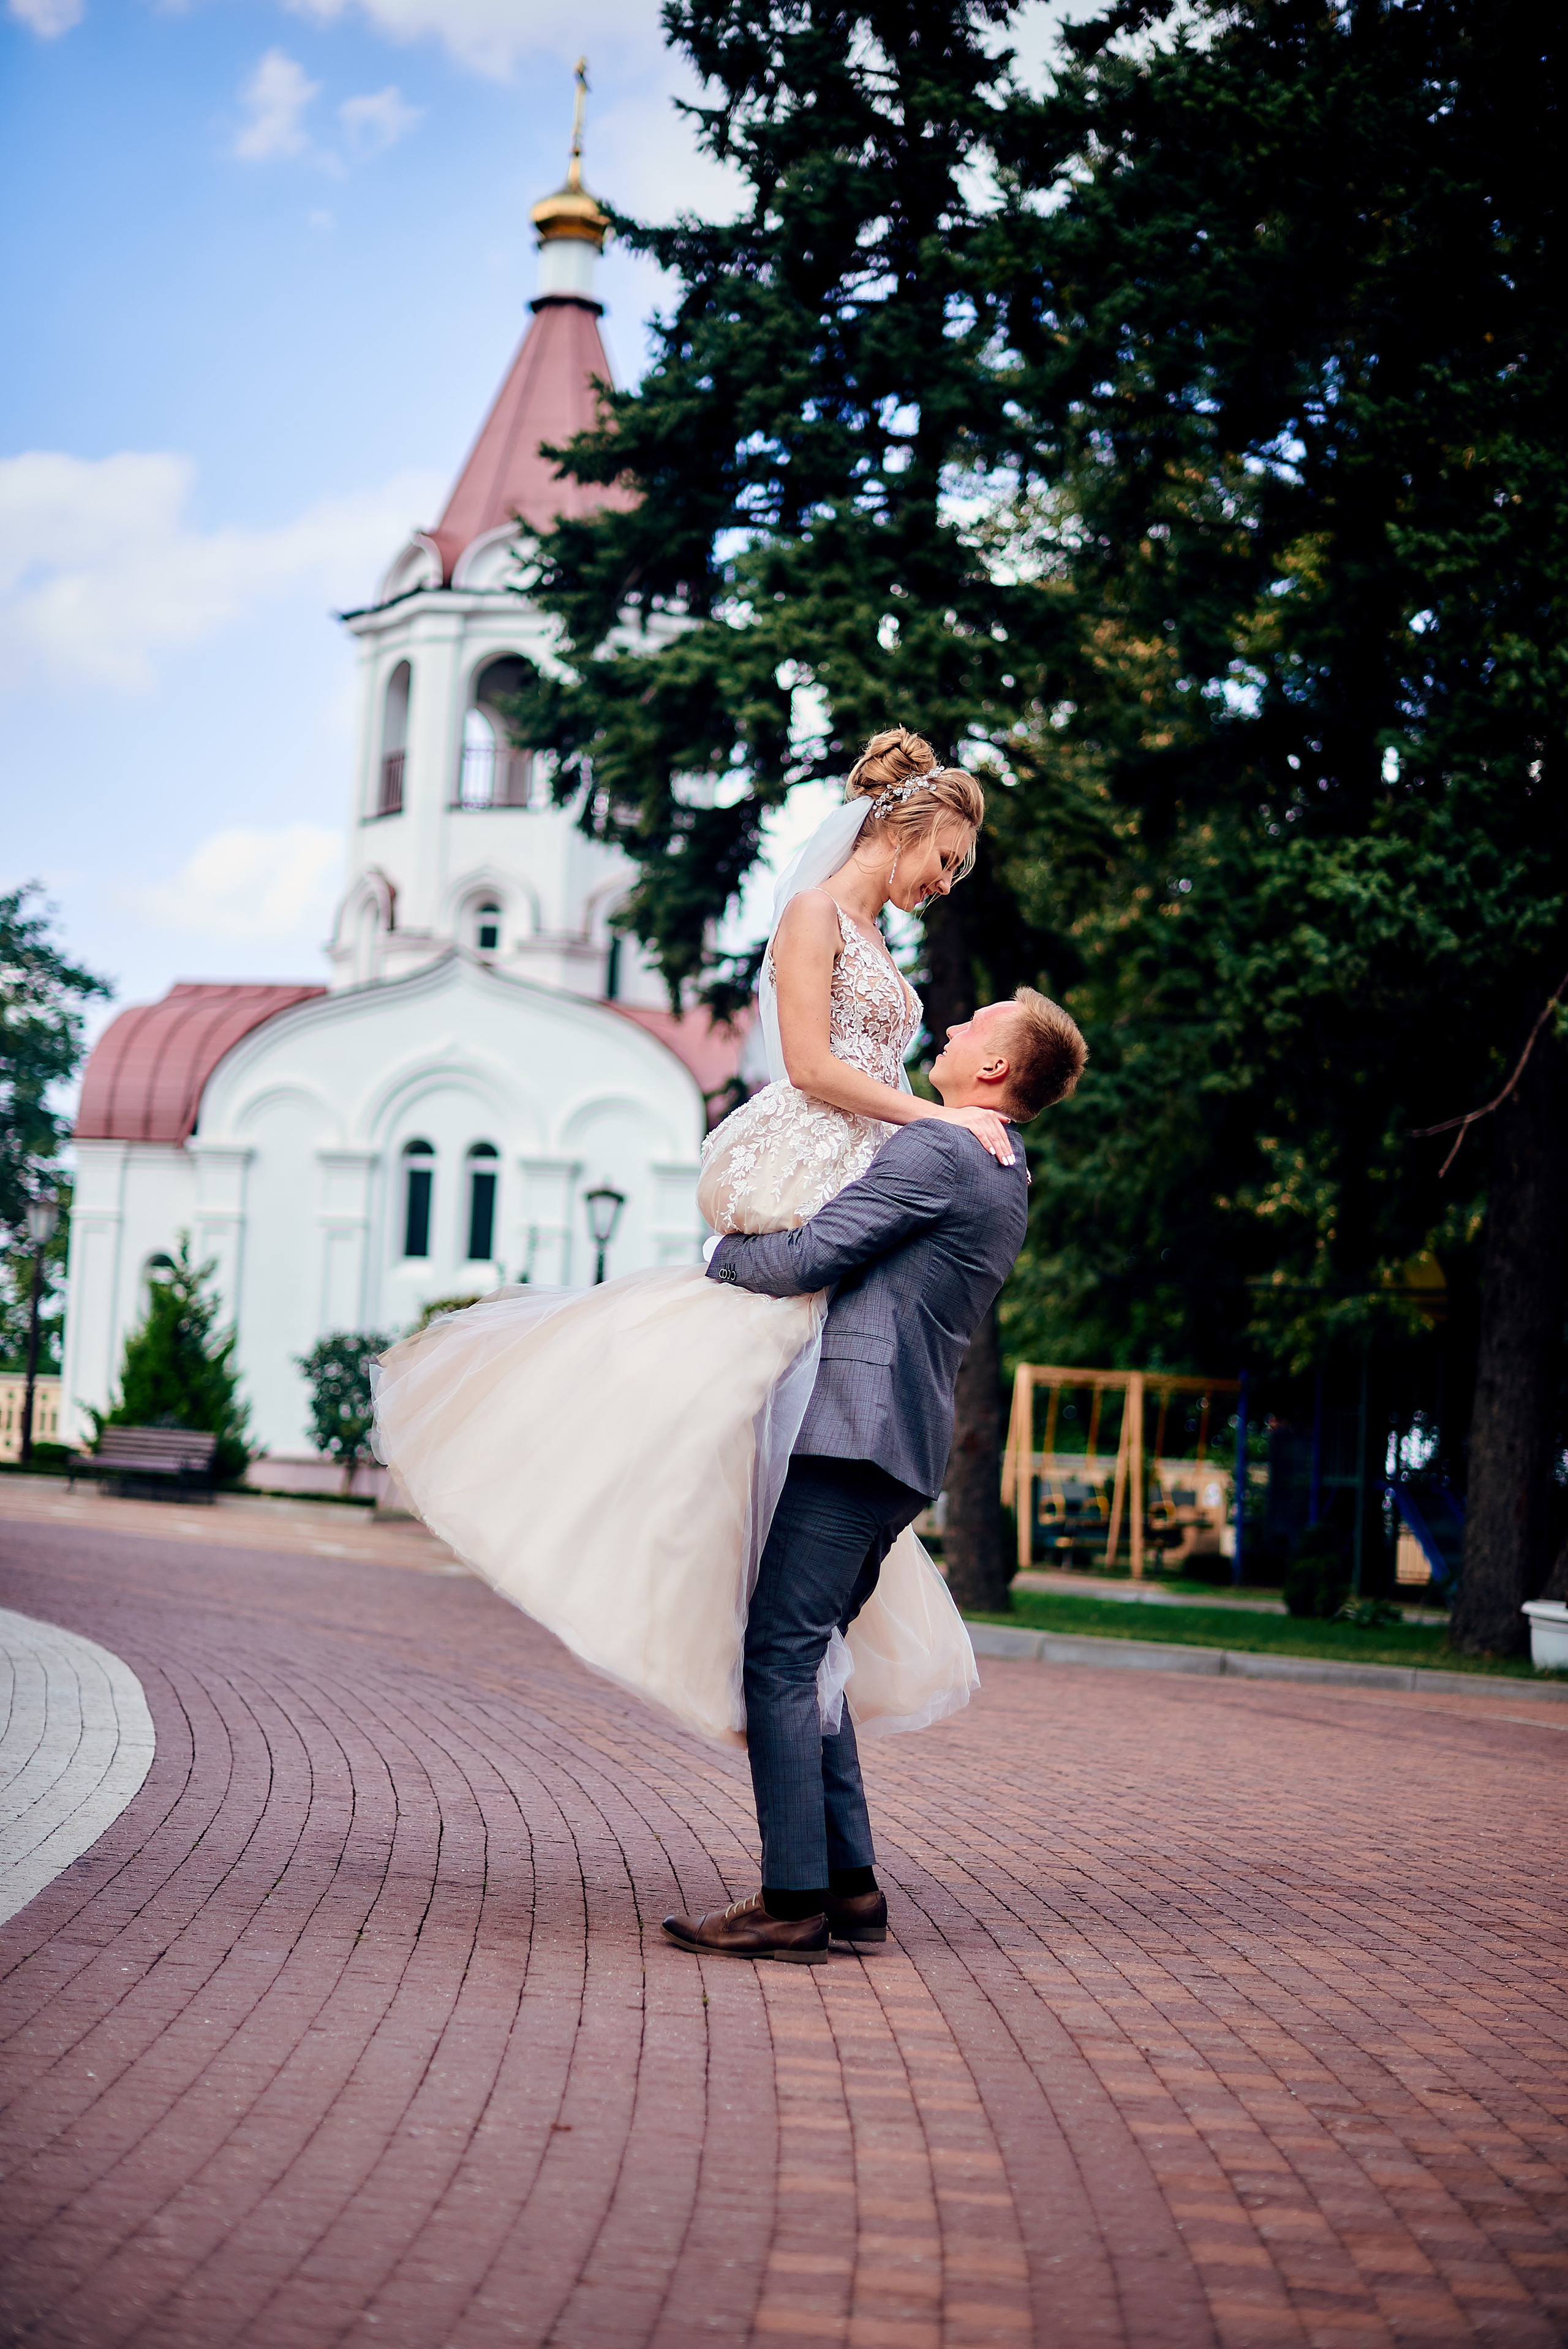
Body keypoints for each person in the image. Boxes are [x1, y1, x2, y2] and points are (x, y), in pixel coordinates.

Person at [371, 727, 1017, 1745]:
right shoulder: (812, 916)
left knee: (804, 1412)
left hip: (865, 1160)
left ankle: (799, 1674)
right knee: (737, 1387)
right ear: (907, 826)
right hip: (811, 1157)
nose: (948, 880)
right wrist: (936, 1120)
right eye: (947, 857)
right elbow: (808, 1064)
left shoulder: (880, 938)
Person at [662, 985, 1088, 1964]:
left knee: (777, 1649)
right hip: (895, 1441)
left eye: (973, 1026)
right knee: (812, 1657)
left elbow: (815, 1255)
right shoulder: (1003, 1164)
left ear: (994, 1068)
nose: (950, 1028)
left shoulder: (943, 1150)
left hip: (854, 1434)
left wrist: (716, 1254)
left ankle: (789, 1902)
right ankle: (849, 1891)